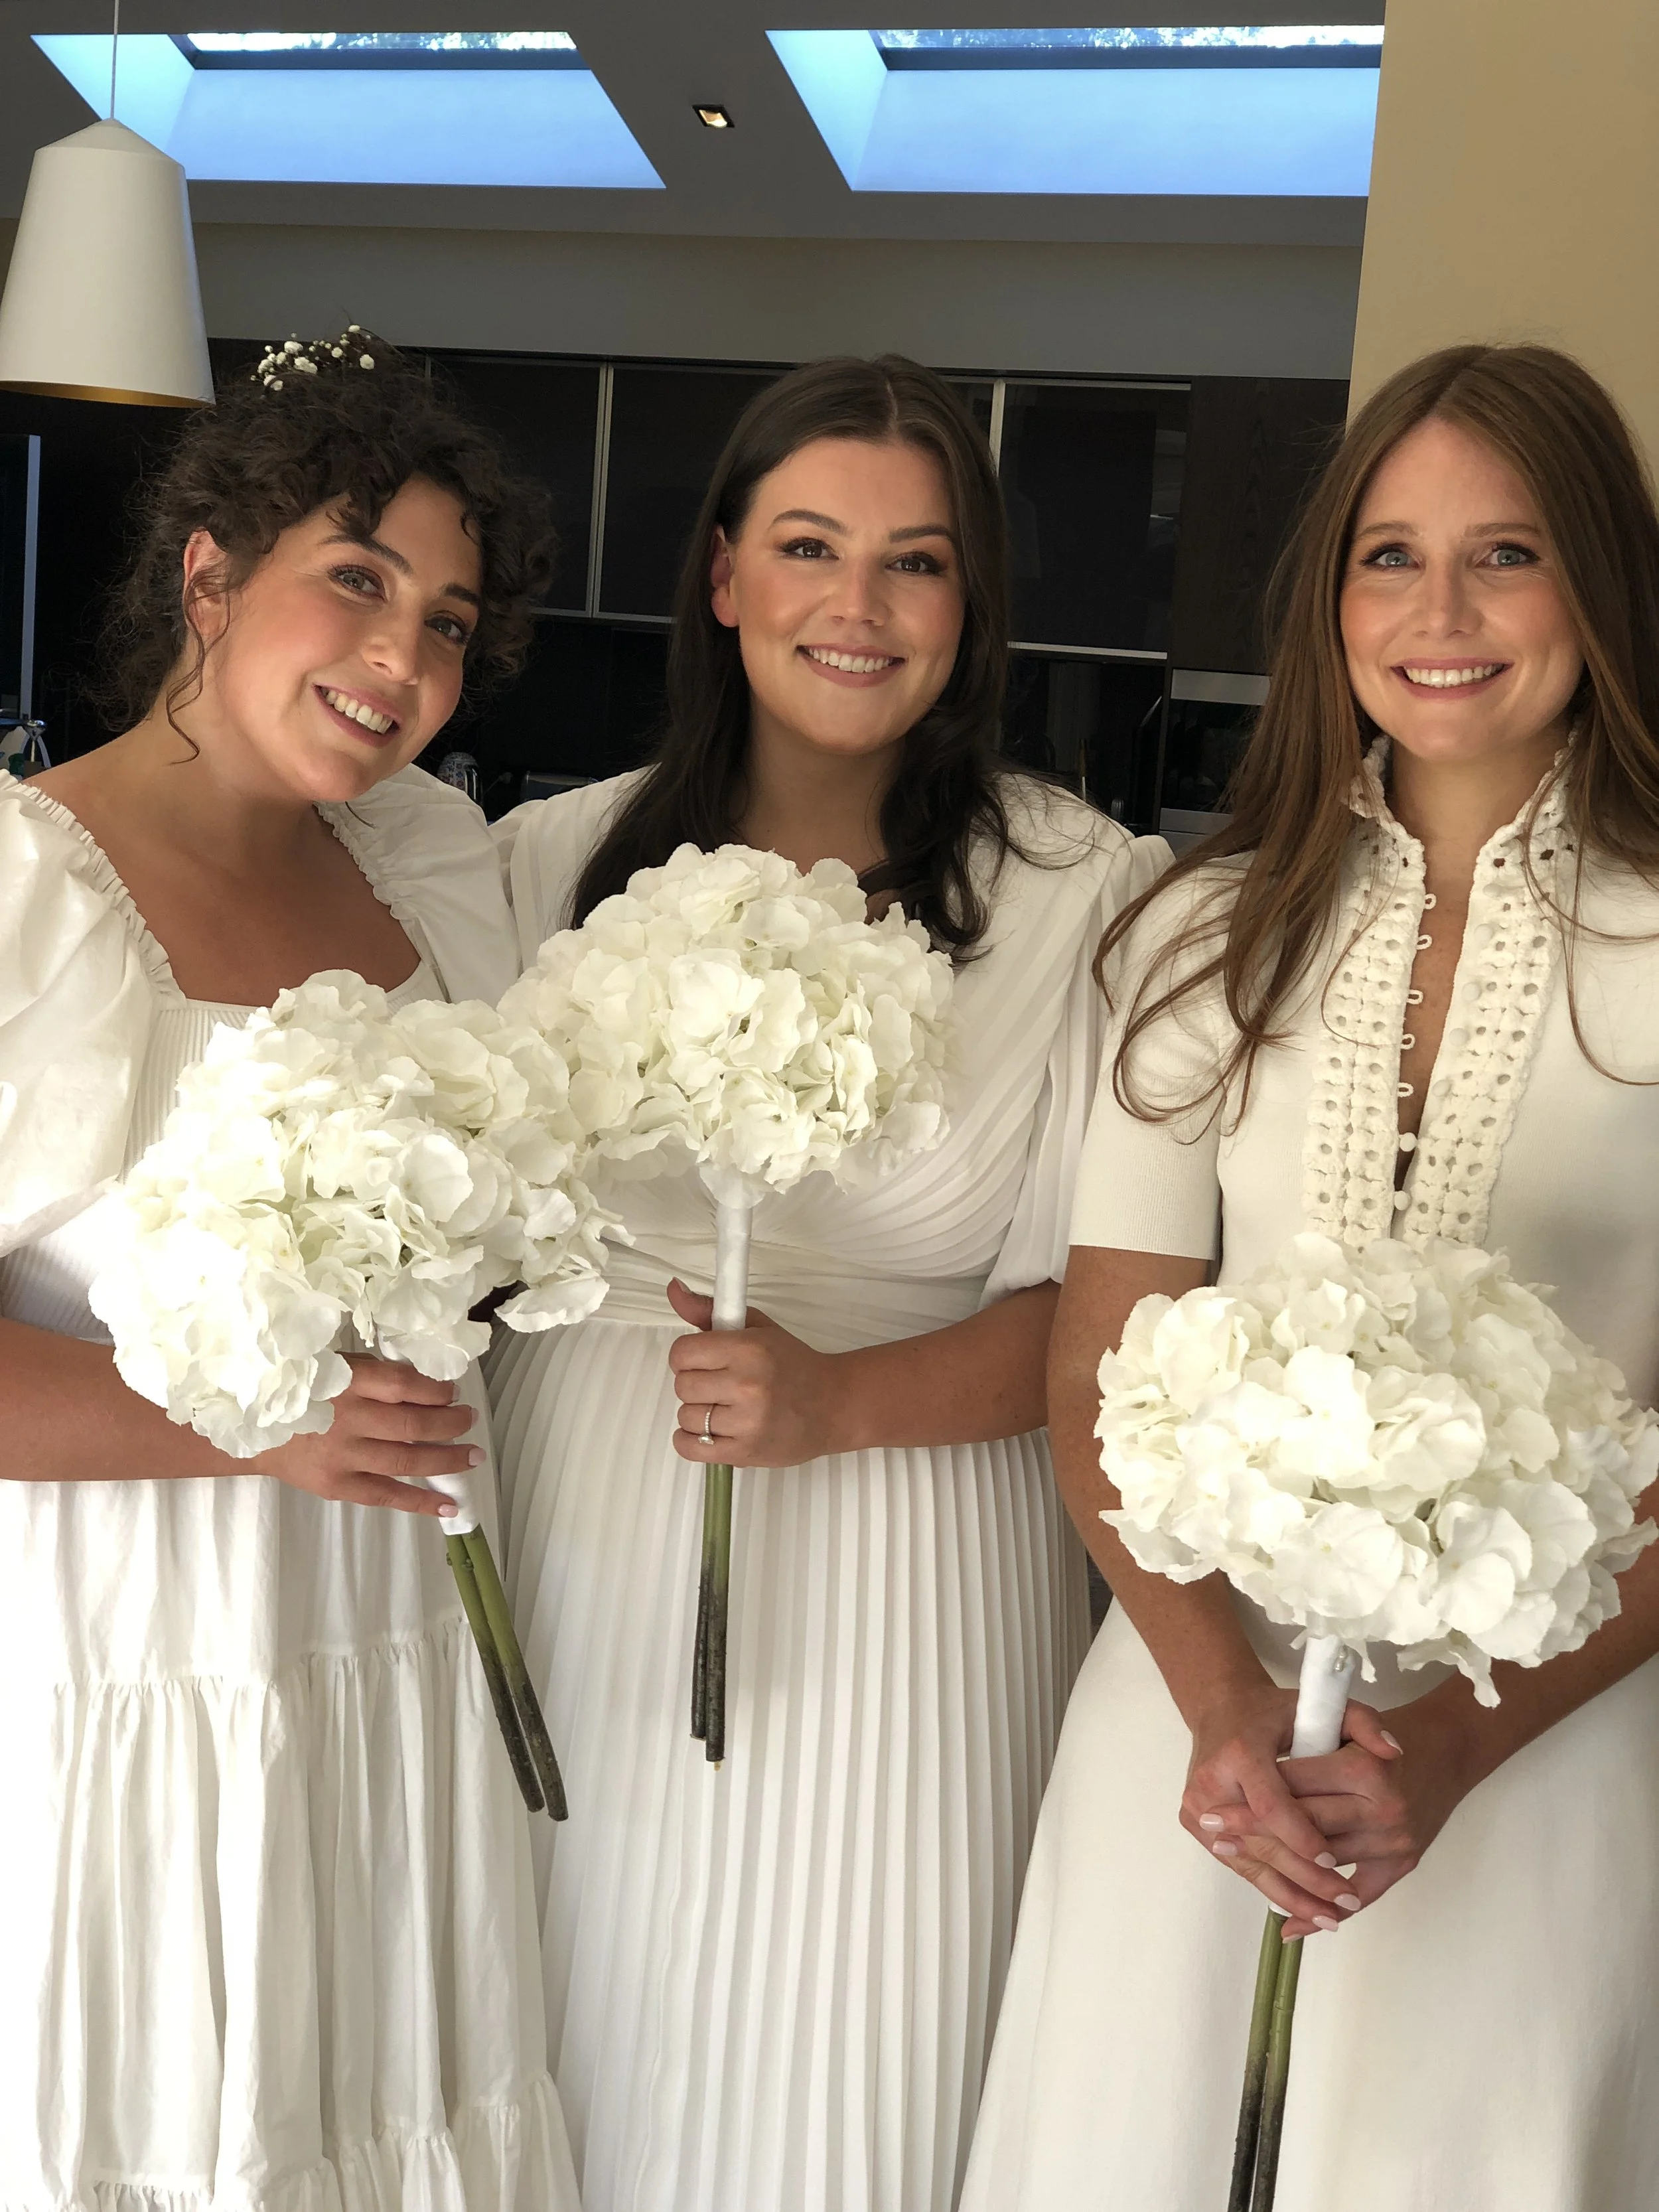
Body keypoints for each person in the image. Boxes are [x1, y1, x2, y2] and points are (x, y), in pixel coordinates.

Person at [961, 342, 1659, 2211]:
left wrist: (1449, 1741)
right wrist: (1213, 1715)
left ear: (1599, 584)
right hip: (1194, 1740)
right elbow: (1098, 1371)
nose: (1438, 613)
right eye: (1386, 555)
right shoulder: (1200, 930)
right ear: (1324, 597)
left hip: (1550, 1745)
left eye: (1505, 555)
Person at [488, 354, 1169, 2212]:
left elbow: (1112, 1315)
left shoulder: (1089, 896)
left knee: (860, 2050)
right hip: (591, 1532)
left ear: (971, 609)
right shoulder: (539, 862)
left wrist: (842, 1401)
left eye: (916, 562)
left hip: (916, 1554)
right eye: (807, 545)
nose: (855, 608)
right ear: (722, 575)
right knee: (571, 2013)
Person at [0, 336, 579, 2208]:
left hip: (387, 1651)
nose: (404, 659)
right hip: (136, 1662)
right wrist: (256, 1432)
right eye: (358, 576)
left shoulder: (427, 874)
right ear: (208, 572)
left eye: (450, 620)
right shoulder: (30, 890)